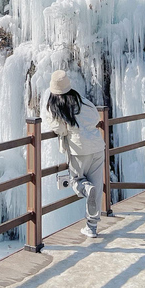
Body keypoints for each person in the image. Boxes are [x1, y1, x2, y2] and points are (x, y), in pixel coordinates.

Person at [45, 70, 105, 238]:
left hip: (80, 150)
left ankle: (86, 189)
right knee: (97, 185)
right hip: (98, 146)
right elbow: (95, 118)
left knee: (76, 180)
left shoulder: (57, 107)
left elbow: (60, 130)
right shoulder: (82, 101)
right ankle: (91, 227)